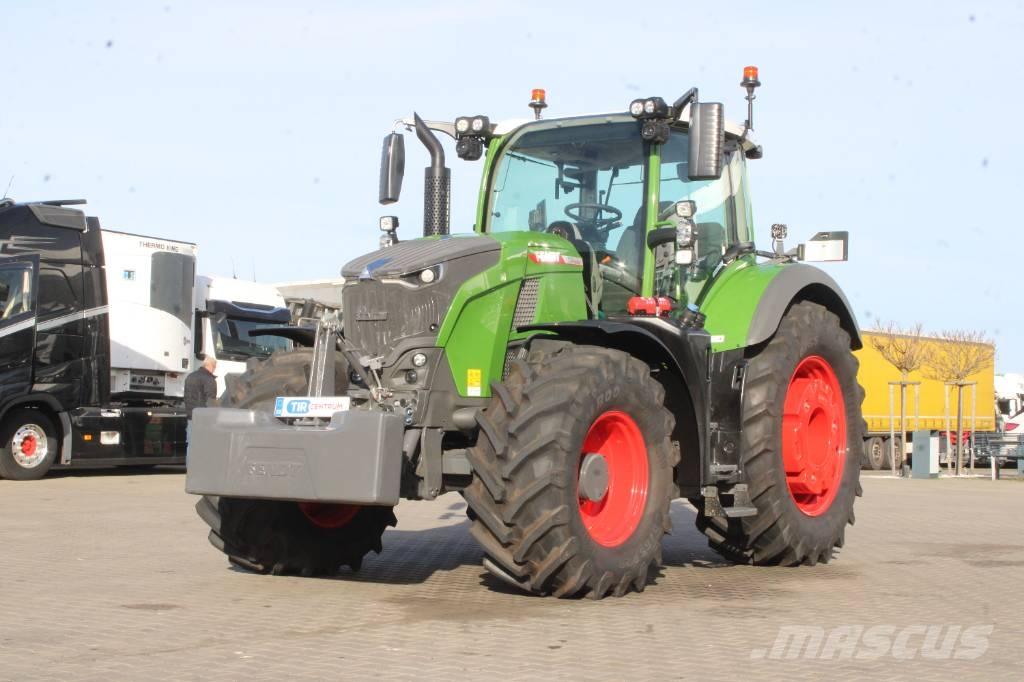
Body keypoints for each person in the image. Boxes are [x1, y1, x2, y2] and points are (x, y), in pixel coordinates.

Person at [184, 357, 217, 453]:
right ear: (210, 365)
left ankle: (190, 467)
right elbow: (211, 401)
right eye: (214, 366)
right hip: (203, 419)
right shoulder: (209, 379)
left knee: (191, 445)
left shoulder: (190, 376)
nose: (214, 369)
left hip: (191, 416)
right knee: (203, 447)